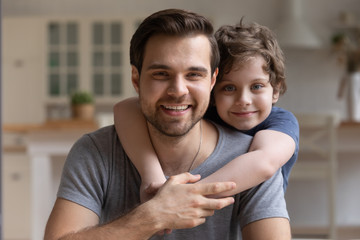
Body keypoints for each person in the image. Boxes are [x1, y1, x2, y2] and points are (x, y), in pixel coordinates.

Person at [45, 9, 291, 240]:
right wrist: (152, 215)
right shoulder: (96, 151)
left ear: (212, 81)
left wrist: (185, 197)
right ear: (136, 79)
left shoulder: (250, 156)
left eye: (194, 75)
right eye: (161, 74)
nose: (178, 91)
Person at [113, 20, 299, 201]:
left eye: (257, 86)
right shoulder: (206, 113)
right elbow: (125, 108)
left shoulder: (281, 122)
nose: (243, 100)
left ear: (275, 90)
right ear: (211, 86)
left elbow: (264, 163)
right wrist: (152, 177)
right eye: (229, 88)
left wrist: (186, 196)